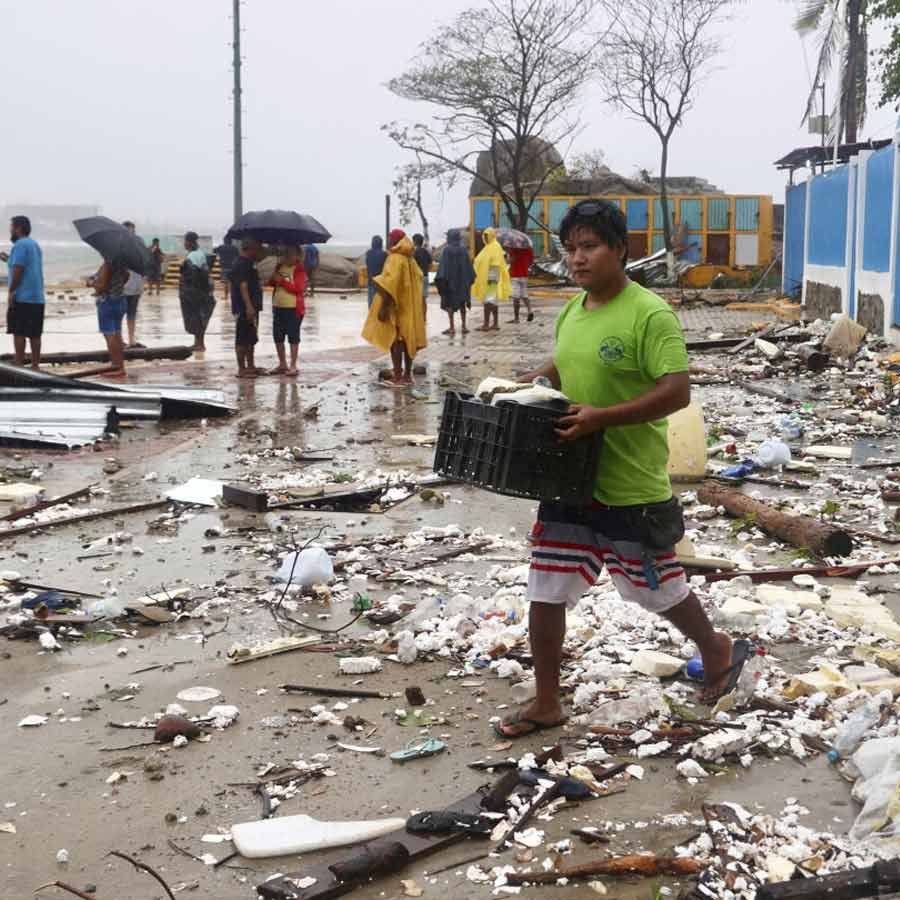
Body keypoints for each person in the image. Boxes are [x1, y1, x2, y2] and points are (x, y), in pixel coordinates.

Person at [495, 199, 739, 739]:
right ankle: (546, 700)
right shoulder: (572, 310)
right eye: (570, 248)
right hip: (568, 479)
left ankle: (714, 646)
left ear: (620, 250)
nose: (577, 259)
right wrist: (532, 381)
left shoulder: (649, 314)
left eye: (589, 246)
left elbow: (677, 391)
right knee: (546, 587)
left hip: (629, 484)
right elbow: (565, 363)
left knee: (657, 591)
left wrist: (602, 418)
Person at [361, 228, 426, 386]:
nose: (388, 241)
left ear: (395, 241)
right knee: (408, 339)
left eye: (390, 238)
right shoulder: (410, 259)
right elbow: (419, 279)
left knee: (395, 341)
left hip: (396, 307)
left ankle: (397, 376)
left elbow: (390, 284)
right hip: (409, 306)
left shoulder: (394, 259)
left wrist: (384, 307)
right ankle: (407, 376)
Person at [2, 215, 45, 369]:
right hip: (37, 297)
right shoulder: (34, 244)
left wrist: (11, 291)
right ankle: (35, 366)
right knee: (35, 334)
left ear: (18, 228)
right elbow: (24, 265)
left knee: (19, 332)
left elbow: (19, 269)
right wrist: (7, 259)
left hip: (22, 296)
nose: (10, 230)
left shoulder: (19, 245)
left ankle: (19, 364)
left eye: (11, 227)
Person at [269, 245, 306, 376]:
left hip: (293, 308)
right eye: (286, 253)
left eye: (291, 254)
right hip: (278, 306)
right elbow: (272, 283)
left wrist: (282, 281)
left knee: (293, 337)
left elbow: (299, 288)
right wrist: (274, 277)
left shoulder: (299, 269)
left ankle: (293, 365)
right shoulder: (279, 267)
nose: (288, 256)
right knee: (278, 336)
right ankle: (282, 363)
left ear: (298, 256)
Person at [229, 237, 264, 378]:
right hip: (243, 308)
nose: (259, 251)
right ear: (250, 249)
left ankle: (251, 366)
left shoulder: (250, 263)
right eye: (257, 249)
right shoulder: (241, 264)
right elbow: (243, 286)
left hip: (252, 306)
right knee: (242, 338)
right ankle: (241, 369)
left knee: (251, 337)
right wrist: (248, 306)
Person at [92, 252, 129, 377]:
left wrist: (92, 283)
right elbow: (127, 275)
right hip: (120, 300)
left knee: (109, 335)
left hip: (107, 302)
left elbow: (102, 287)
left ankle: (115, 366)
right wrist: (117, 286)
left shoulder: (108, 264)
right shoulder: (121, 263)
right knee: (117, 334)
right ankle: (120, 366)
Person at [434, 229, 475, 337]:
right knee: (462, 303)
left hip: (450, 282)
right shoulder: (464, 249)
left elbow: (443, 267)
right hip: (462, 282)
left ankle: (452, 327)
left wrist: (441, 281)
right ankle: (464, 326)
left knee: (449, 305)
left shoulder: (447, 250)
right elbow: (469, 267)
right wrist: (468, 280)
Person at [179, 231, 215, 352]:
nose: (184, 244)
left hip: (195, 292)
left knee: (196, 317)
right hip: (201, 291)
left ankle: (200, 344)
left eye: (185, 241)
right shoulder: (199, 254)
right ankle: (198, 343)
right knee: (199, 317)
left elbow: (193, 274)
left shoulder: (193, 256)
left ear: (190, 242)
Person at [472, 227, 510, 331]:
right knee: (492, 301)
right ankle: (495, 324)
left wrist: (491, 279)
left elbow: (495, 263)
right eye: (484, 236)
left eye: (487, 236)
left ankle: (486, 324)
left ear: (491, 236)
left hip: (492, 277)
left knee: (488, 302)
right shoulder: (488, 247)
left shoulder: (494, 246)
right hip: (489, 277)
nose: (485, 238)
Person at [121, 221, 145, 349]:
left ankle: (131, 340)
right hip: (122, 287)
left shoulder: (139, 242)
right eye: (129, 230)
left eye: (133, 231)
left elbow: (145, 261)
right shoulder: (118, 244)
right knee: (119, 314)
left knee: (132, 314)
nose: (131, 233)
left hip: (136, 286)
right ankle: (119, 339)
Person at [508, 244, 535, 324]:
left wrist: (509, 256)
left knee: (516, 297)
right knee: (524, 294)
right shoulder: (528, 248)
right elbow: (531, 261)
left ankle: (516, 319)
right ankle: (530, 311)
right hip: (524, 274)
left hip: (515, 275)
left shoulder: (514, 248)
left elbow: (511, 261)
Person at [412, 233, 432, 317]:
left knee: (416, 299)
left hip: (417, 278)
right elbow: (430, 263)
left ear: (414, 242)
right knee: (423, 299)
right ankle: (424, 317)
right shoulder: (426, 251)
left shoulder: (414, 253)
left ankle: (418, 318)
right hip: (425, 276)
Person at [364, 235, 387, 308]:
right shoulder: (384, 254)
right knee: (380, 305)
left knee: (371, 304)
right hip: (381, 282)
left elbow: (368, 265)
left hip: (371, 280)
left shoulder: (368, 253)